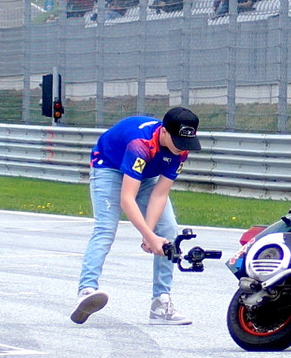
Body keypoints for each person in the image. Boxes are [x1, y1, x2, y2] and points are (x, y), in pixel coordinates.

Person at [71, 107, 203, 326]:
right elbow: (127, 199)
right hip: (109, 167)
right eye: (178, 143)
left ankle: (161, 304)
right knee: (105, 228)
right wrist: (150, 238)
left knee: (168, 229)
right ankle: (86, 289)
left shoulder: (182, 149)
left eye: (186, 144)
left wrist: (150, 234)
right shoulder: (140, 144)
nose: (182, 149)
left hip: (146, 175)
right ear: (164, 132)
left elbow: (160, 193)